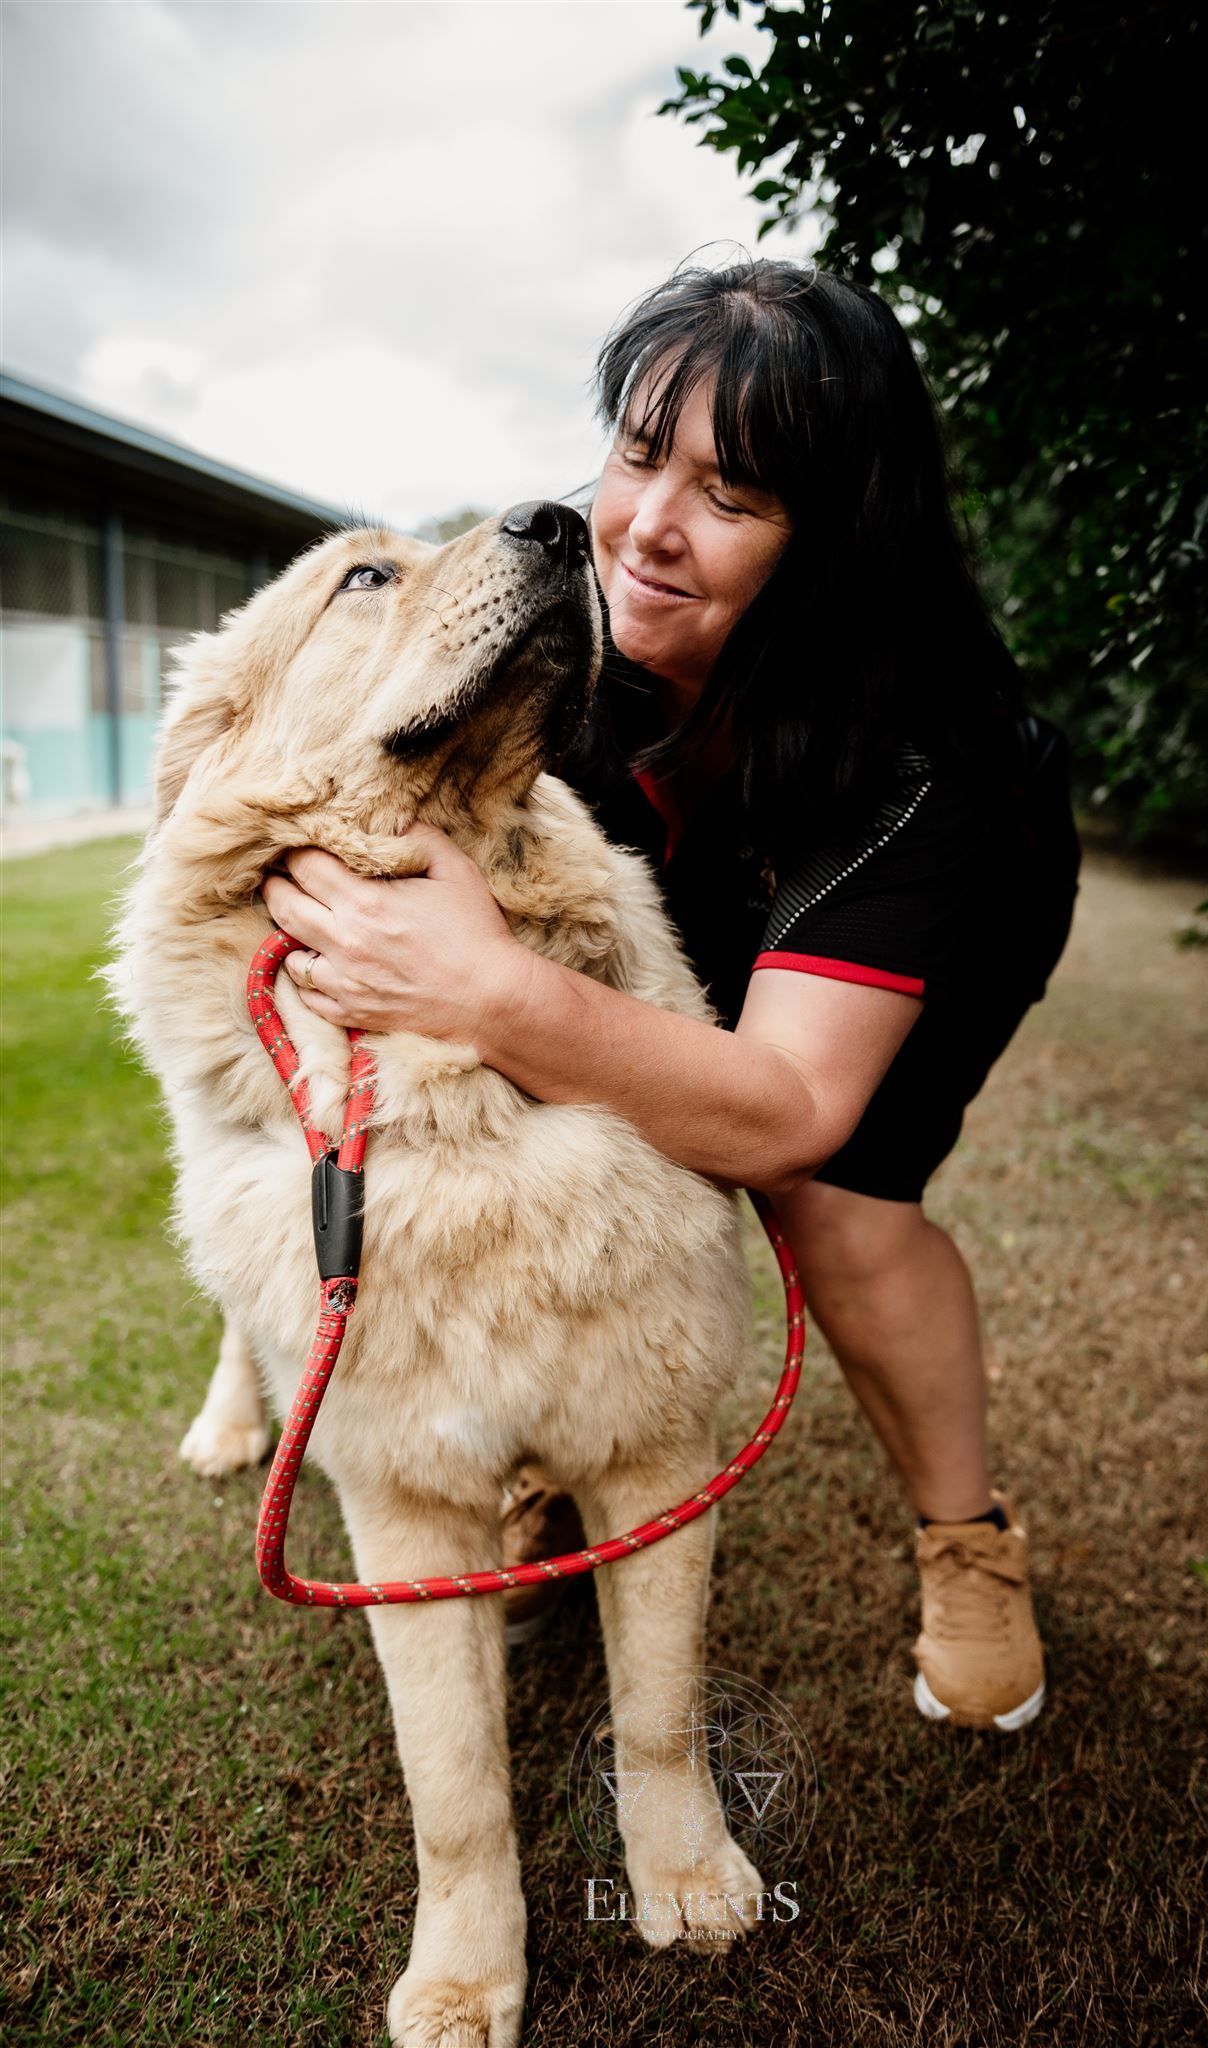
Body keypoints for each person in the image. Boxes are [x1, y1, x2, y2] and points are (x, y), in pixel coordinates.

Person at [261, 258, 1081, 1733]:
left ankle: (968, 1542)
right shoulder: (557, 608)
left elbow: (781, 1113)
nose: (646, 526)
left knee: (835, 1196)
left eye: (734, 496)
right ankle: (569, 1474)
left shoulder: (923, 753)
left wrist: (495, 988)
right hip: (671, 852)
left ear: (829, 542)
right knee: (578, 1115)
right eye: (640, 455)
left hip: (948, 902)